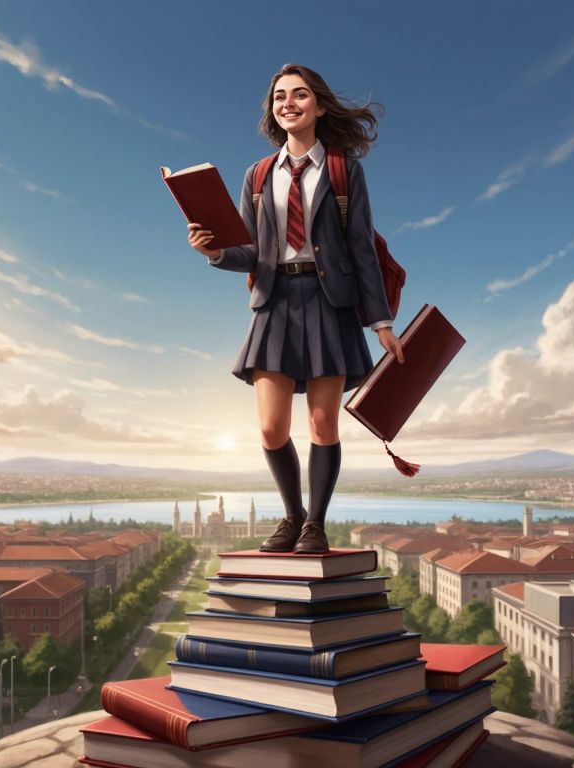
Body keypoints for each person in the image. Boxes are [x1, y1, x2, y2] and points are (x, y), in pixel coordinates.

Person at [187, 64, 403, 554]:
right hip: (274, 302)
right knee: (270, 427)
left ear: (319, 106)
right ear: (273, 110)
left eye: (299, 95)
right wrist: (214, 252)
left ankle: (316, 526)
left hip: (331, 303)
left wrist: (381, 321)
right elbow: (249, 250)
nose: (288, 103)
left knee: (323, 423)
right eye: (279, 96)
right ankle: (292, 515)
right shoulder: (258, 176)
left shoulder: (345, 171)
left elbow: (362, 249)